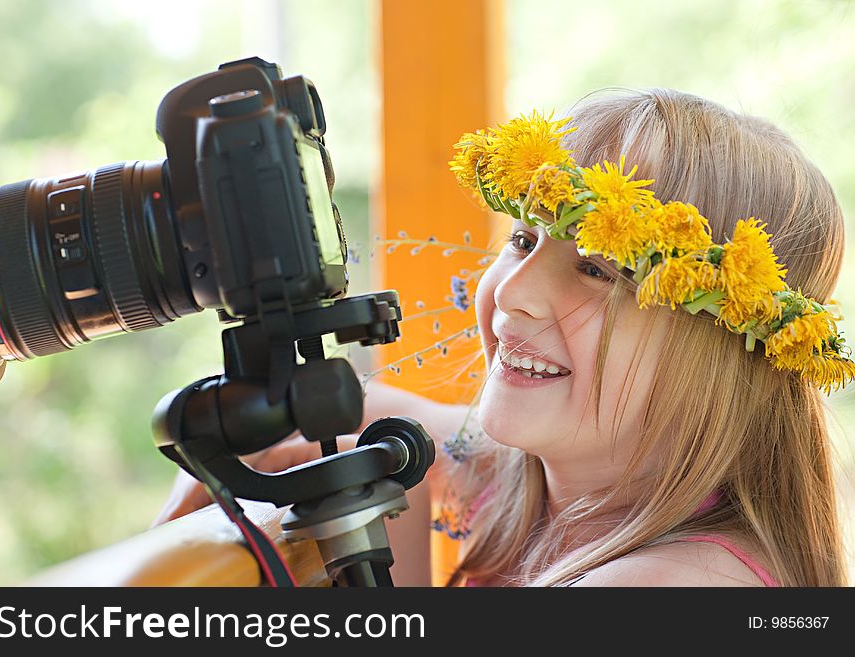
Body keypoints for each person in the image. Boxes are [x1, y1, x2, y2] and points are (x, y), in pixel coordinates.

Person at [154, 88, 850, 587]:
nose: (513, 292)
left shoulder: (673, 584)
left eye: (597, 268)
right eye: (522, 238)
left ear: (729, 349)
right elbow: (408, 422)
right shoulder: (539, 486)